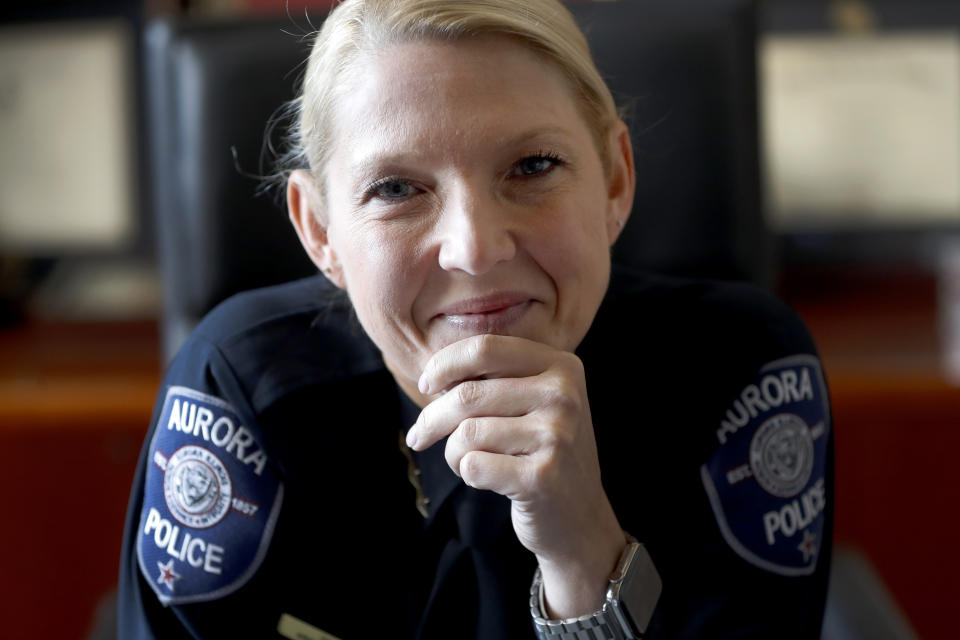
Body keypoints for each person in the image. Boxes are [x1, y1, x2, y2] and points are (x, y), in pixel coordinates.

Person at [118, 0, 833, 638]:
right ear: (320, 232)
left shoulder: (742, 379)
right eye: (396, 188)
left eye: (532, 167)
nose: (475, 250)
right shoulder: (238, 393)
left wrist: (585, 560)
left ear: (615, 181)